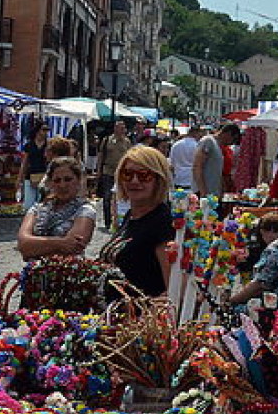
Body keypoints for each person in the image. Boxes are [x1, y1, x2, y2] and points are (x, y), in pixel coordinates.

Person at [97, 145, 175, 297]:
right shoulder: (131, 216)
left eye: (144, 175)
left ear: (158, 180)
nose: (134, 181)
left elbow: (173, 287)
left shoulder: (162, 222)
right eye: (127, 174)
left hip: (137, 315)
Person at [16, 156, 98, 260]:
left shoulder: (86, 210)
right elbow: (23, 245)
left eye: (68, 179)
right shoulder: (37, 209)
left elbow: (74, 247)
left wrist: (36, 245)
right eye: (57, 180)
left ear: (78, 181)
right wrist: (61, 242)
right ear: (50, 183)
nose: (62, 185)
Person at [95, 120, 132, 226]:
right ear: (115, 128)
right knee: (107, 196)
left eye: (123, 128)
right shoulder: (107, 140)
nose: (122, 130)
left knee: (120, 197)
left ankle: (119, 217)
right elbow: (101, 155)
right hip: (108, 171)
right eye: (120, 128)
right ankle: (107, 221)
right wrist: (99, 170)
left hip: (121, 172)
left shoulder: (127, 142)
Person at [193, 123, 240, 198]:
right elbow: (197, 166)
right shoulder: (208, 141)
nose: (232, 143)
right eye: (233, 139)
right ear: (228, 134)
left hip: (213, 194)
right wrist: (202, 191)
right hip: (204, 193)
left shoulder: (218, 146)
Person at [17, 122, 50, 210]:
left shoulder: (49, 145)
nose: (46, 132)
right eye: (44, 129)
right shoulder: (29, 145)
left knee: (42, 203)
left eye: (47, 130)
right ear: (37, 131)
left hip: (44, 175)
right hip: (30, 175)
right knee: (29, 205)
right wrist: (19, 179)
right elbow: (24, 162)